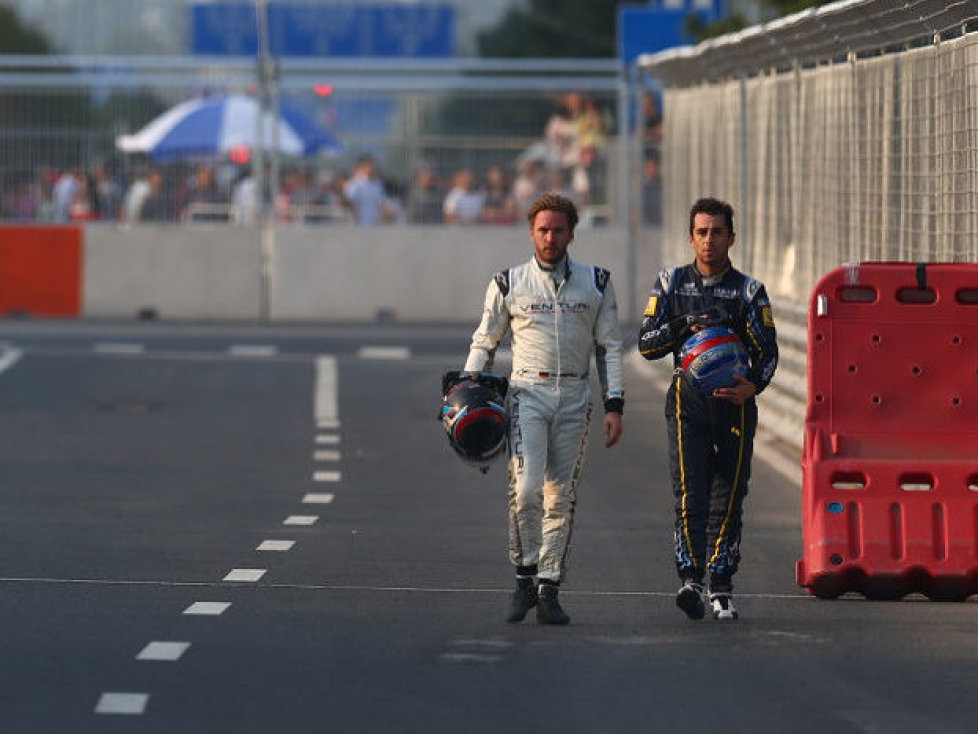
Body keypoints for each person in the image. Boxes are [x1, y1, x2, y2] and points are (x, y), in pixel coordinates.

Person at [462, 192, 625, 625]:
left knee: (560, 494)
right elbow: (485, 339)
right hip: (525, 395)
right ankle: (524, 576)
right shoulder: (507, 283)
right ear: (531, 232)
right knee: (528, 486)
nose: (550, 237)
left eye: (558, 230)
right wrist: (467, 386)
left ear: (571, 232)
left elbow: (609, 346)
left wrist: (615, 403)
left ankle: (549, 586)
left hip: (574, 396)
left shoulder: (597, 282)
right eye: (542, 229)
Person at [638, 197, 779, 622]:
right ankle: (690, 579)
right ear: (690, 237)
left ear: (731, 237)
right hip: (687, 401)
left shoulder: (748, 291)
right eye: (702, 232)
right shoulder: (670, 283)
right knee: (690, 492)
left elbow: (768, 352)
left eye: (718, 231)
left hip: (734, 404)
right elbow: (647, 344)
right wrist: (684, 325)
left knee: (729, 495)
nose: (709, 240)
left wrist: (752, 385)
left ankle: (721, 586)